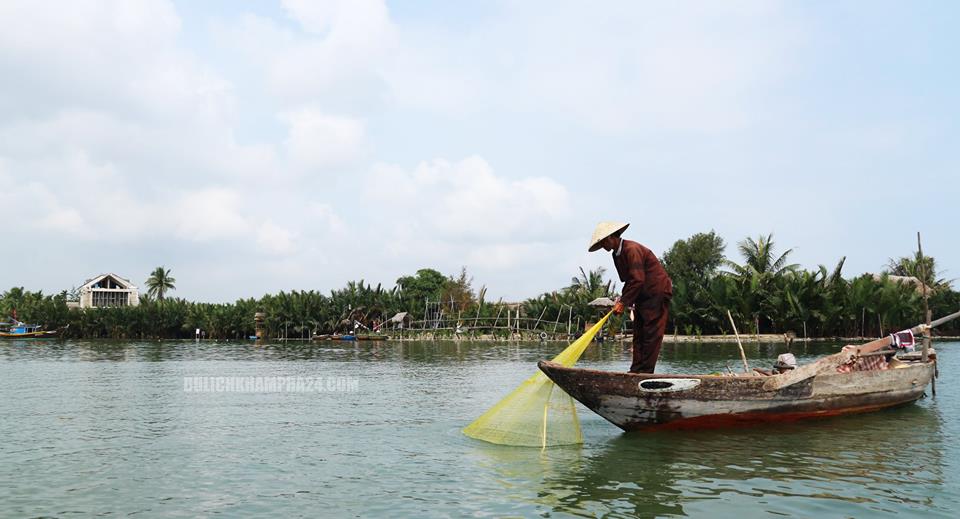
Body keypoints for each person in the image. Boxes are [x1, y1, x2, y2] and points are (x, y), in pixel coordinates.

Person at [588, 221, 673, 373]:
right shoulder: (617, 254)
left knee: (651, 333)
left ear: (611, 238)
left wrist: (624, 302)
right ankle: (636, 371)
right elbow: (629, 281)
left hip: (656, 292)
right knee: (639, 333)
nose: (603, 246)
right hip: (642, 295)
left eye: (603, 242)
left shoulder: (631, 249)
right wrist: (621, 300)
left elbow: (637, 279)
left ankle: (645, 372)